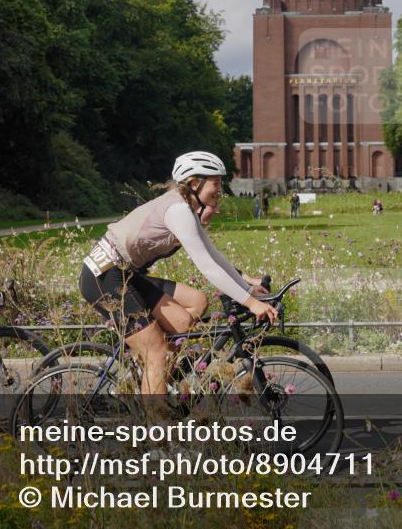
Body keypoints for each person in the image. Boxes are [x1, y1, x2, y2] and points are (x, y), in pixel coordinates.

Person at [79, 151, 277, 396]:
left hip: (124, 274)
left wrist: (248, 290)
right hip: (102, 276)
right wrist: (250, 303)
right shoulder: (177, 210)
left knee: (183, 323)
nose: (220, 189)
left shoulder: (186, 209)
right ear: (194, 183)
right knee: (156, 351)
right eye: (216, 183)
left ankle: (153, 377)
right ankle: (154, 416)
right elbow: (206, 265)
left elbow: (213, 255)